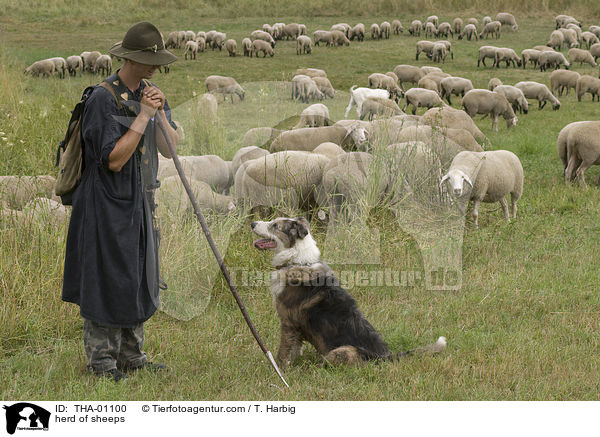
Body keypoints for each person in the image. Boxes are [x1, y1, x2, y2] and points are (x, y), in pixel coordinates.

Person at [62, 22, 179, 382]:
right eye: (151, 61)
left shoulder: (150, 94)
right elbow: (112, 159)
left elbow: (169, 149)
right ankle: (101, 362)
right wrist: (143, 116)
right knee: (105, 276)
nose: (156, 68)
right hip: (104, 205)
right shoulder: (101, 98)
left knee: (138, 274)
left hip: (141, 202)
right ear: (131, 59)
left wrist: (158, 114)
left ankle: (132, 356)